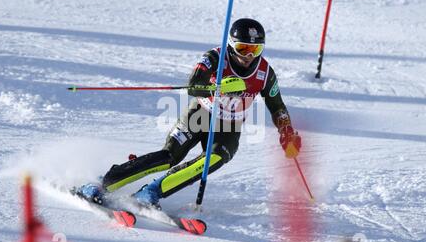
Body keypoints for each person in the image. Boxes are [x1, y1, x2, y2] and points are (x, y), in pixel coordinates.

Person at [77, 18, 302, 208]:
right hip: (201, 113)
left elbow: (277, 106)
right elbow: (193, 85)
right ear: (232, 45)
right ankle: (102, 183)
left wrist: (287, 132)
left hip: (229, 126)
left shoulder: (265, 73)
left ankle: (151, 193)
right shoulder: (215, 57)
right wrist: (220, 86)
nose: (249, 55)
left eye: (256, 49)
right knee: (169, 157)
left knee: (215, 158)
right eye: (243, 48)